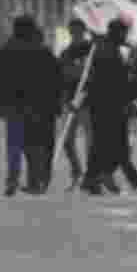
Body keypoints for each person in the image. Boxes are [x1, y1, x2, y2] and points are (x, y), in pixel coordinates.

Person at [0, 15, 63, 196]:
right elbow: (55, 79)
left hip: (13, 104)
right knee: (35, 144)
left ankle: (12, 179)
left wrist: (1, 101)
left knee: (15, 144)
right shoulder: (41, 51)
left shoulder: (6, 49)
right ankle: (36, 180)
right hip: (37, 105)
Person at [82, 18, 137, 196]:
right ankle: (107, 177)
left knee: (105, 144)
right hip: (108, 105)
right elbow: (115, 81)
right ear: (116, 32)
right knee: (114, 144)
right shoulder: (107, 51)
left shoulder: (107, 48)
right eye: (123, 33)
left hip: (106, 104)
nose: (125, 36)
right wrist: (130, 95)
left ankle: (93, 179)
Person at [58, 18, 94, 190]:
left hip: (88, 101)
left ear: (83, 31)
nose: (75, 35)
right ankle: (77, 170)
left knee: (90, 140)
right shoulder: (66, 53)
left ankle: (91, 176)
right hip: (70, 100)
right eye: (73, 32)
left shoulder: (91, 50)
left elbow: (95, 74)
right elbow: (62, 75)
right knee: (66, 140)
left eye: (78, 31)